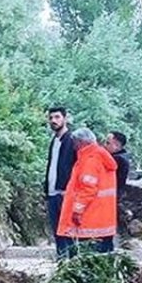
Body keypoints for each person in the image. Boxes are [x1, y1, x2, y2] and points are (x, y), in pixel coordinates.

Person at [57, 128, 119, 257]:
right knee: (105, 258)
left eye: (74, 143)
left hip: (89, 221)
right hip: (103, 221)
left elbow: (88, 189)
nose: (73, 147)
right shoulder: (100, 156)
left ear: (81, 142)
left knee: (88, 260)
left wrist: (77, 210)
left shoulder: (90, 160)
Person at [45, 107, 78, 256]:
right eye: (51, 118)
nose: (53, 121)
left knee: (68, 231)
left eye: (57, 117)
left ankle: (72, 263)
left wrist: (69, 188)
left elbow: (76, 166)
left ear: (65, 118)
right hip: (52, 192)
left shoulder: (71, 140)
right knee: (57, 231)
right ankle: (62, 262)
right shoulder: (55, 141)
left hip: (65, 193)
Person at [104, 131, 132, 226]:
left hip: (111, 194)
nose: (104, 145)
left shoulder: (116, 159)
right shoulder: (123, 157)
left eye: (108, 143)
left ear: (117, 145)